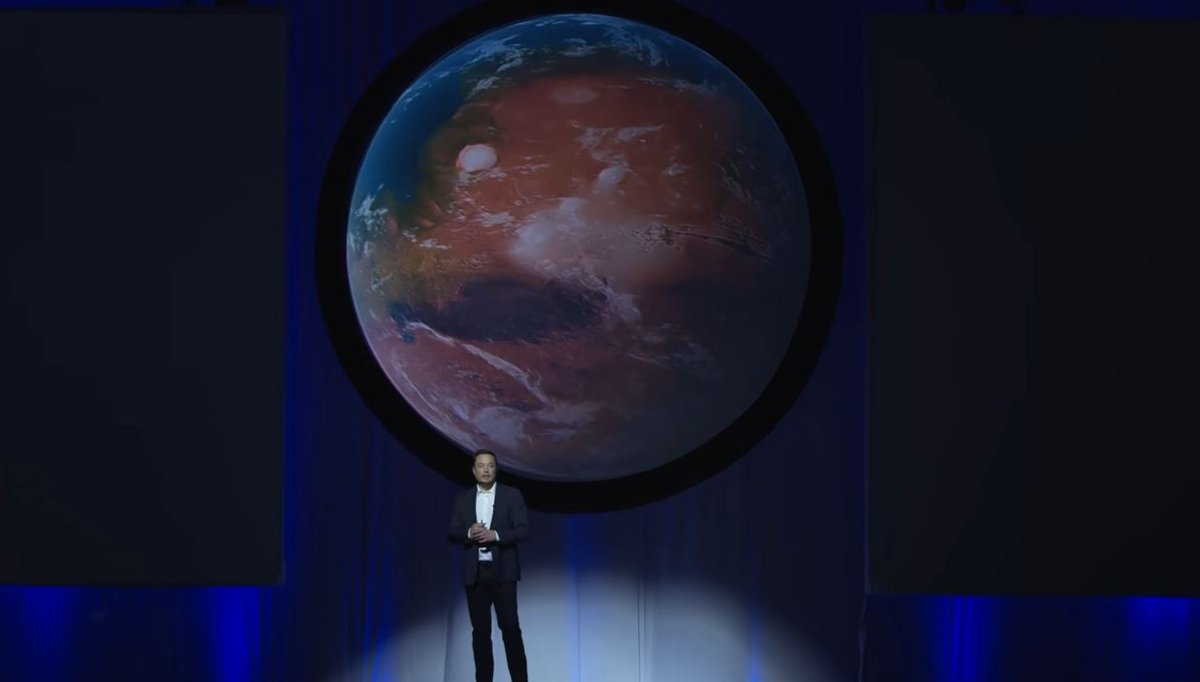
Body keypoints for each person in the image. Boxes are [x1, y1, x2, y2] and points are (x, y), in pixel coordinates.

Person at [448, 449, 529, 682]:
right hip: (475, 574)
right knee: (481, 634)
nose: (486, 469)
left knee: (511, 630)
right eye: (481, 465)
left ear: (496, 469)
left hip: (503, 573)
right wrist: (468, 532)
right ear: (473, 471)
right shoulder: (462, 499)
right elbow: (452, 533)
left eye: (490, 465)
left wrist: (494, 535)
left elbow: (523, 530)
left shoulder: (512, 496)